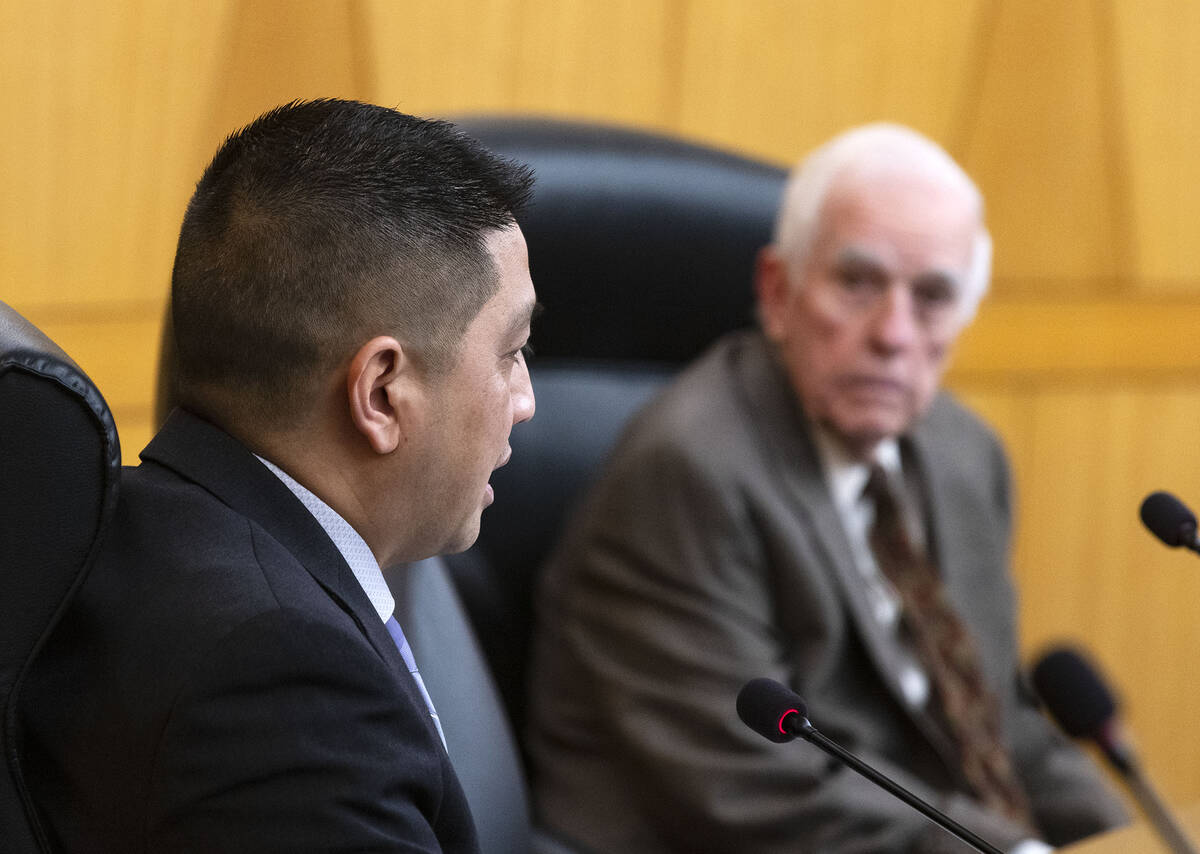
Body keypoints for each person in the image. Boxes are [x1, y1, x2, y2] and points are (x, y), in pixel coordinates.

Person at [526, 124, 1128, 853]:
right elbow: (754, 784)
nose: (894, 334)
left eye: (933, 295)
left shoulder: (964, 453)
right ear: (778, 292)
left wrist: (1126, 834)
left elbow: (997, 723)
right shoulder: (688, 470)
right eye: (859, 283)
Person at [23, 99, 536, 852]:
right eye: (511, 351)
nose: (525, 402)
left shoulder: (135, 532)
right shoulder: (288, 678)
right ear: (382, 394)